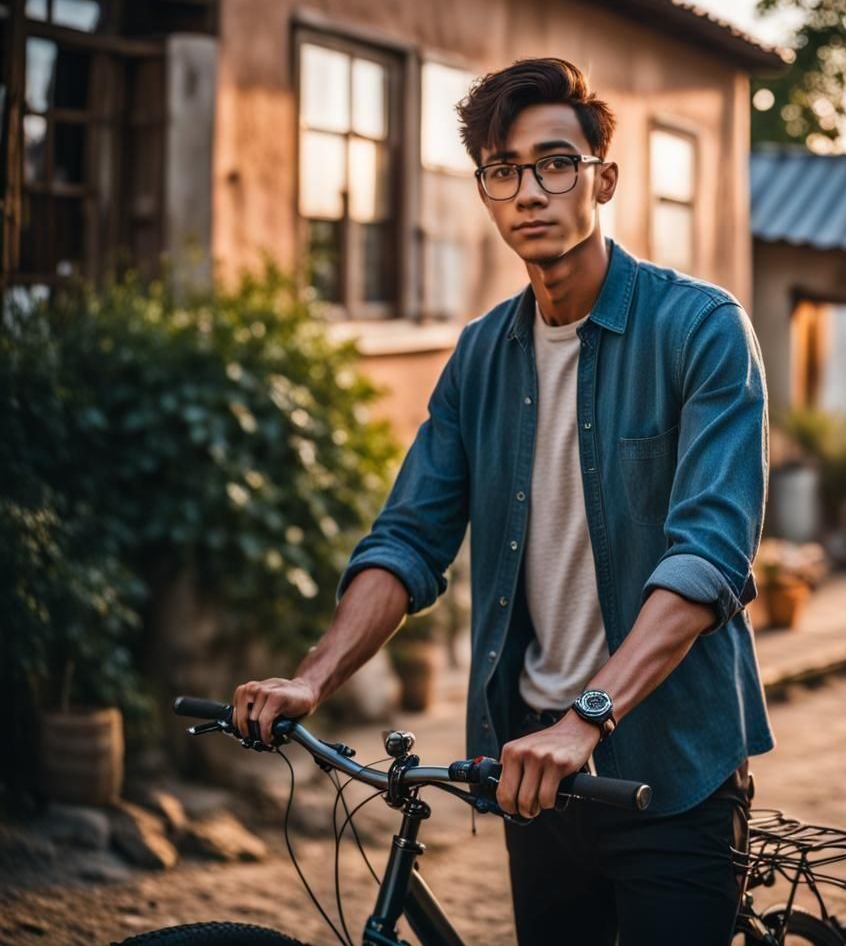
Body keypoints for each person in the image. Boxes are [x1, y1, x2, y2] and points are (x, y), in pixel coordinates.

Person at [232, 57, 774, 945]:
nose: (531, 191)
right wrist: (314, 676)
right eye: (503, 169)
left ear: (603, 176)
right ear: (485, 191)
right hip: (531, 772)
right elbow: (408, 539)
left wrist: (588, 717)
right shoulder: (481, 356)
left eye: (556, 162)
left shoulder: (701, 329)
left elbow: (710, 556)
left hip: (669, 776)